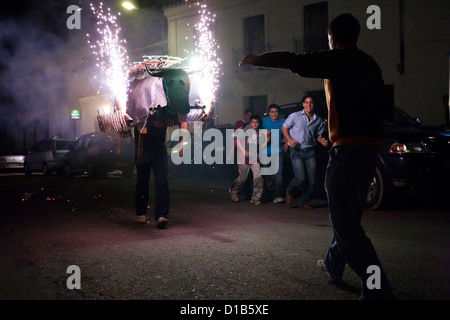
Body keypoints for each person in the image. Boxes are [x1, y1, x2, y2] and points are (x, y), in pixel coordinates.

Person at [240, 13, 394, 299]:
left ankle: (377, 288)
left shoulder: (337, 59)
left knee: (345, 223)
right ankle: (334, 266)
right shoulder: (370, 63)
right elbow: (383, 106)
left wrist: (257, 59)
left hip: (347, 150)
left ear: (332, 37)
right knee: (348, 217)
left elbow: (294, 60)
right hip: (369, 150)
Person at [127, 69, 189, 229]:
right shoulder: (144, 99)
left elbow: (176, 118)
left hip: (159, 149)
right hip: (143, 148)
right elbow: (136, 119)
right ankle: (141, 212)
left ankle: (161, 215)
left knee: (162, 181)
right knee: (142, 181)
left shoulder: (166, 109)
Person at [281, 96, 328, 209]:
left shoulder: (318, 119)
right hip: (297, 150)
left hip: (310, 150)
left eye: (311, 103)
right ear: (303, 104)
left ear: (313, 105)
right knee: (300, 178)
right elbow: (284, 128)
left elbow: (318, 135)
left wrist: (321, 140)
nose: (309, 105)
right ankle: (289, 191)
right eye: (306, 102)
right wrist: (289, 140)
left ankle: (303, 201)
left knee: (312, 180)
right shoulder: (295, 116)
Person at [229, 114, 266, 205]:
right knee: (242, 178)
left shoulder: (260, 133)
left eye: (256, 122)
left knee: (258, 177)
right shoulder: (247, 129)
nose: (254, 124)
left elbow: (261, 146)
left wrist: (266, 142)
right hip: (243, 158)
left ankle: (256, 198)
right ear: (250, 122)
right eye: (253, 122)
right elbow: (237, 140)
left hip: (254, 158)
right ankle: (234, 191)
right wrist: (244, 151)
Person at [261, 104, 287, 203]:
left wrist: (286, 142)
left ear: (278, 113)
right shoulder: (264, 121)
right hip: (265, 151)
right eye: (272, 112)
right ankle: (264, 195)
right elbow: (256, 130)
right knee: (265, 175)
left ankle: (277, 196)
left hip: (277, 151)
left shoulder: (283, 121)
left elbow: (285, 133)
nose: (274, 114)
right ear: (269, 113)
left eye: (276, 112)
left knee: (279, 174)